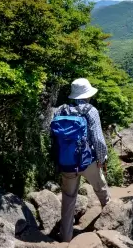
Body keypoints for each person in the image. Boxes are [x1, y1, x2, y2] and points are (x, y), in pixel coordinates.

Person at [50, 78, 111, 243]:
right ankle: (113, 224)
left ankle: (65, 238)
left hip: (67, 163)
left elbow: (54, 138)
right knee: (101, 189)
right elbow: (98, 139)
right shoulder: (91, 111)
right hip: (88, 161)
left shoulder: (60, 111)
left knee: (68, 199)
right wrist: (101, 158)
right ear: (87, 94)